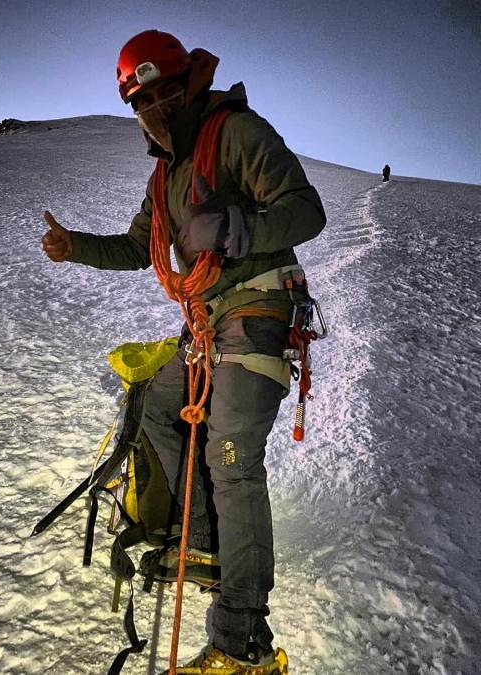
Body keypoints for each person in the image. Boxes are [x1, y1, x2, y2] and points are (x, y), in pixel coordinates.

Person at [42, 30, 325, 673]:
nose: (153, 109)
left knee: (231, 455)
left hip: (257, 310)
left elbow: (306, 212)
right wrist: (75, 247)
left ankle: (241, 642)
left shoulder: (235, 134)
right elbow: (139, 248)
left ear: (186, 86)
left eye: (163, 93)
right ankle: (205, 545)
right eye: (140, 100)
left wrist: (233, 229)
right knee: (154, 401)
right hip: (207, 322)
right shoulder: (164, 176)